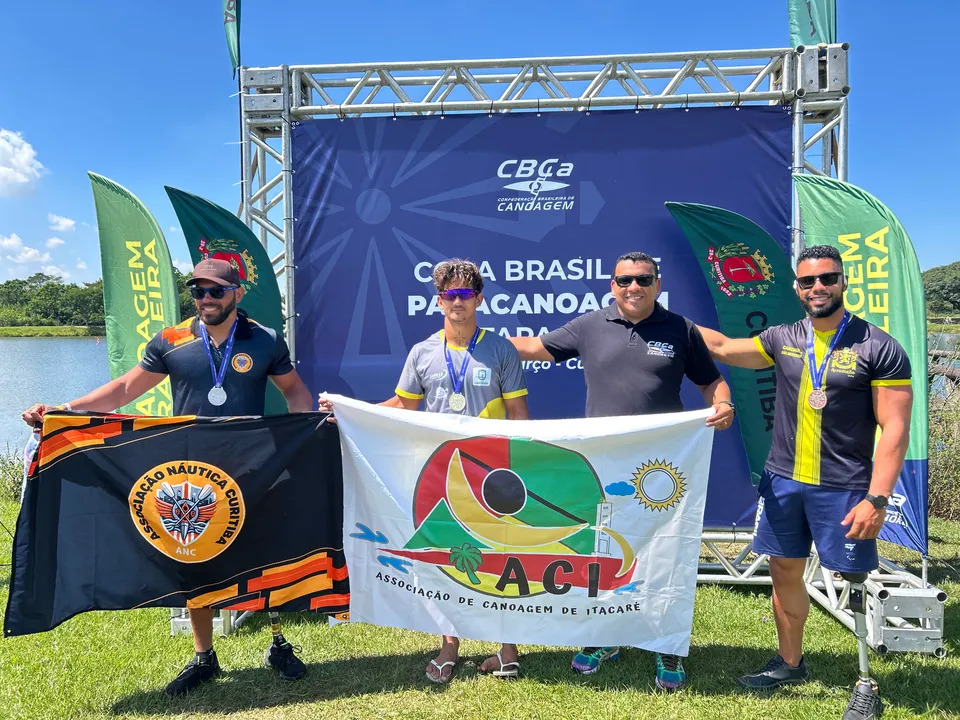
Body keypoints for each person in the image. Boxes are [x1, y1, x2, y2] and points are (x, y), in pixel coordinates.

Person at [21, 258, 316, 698]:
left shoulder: (266, 339)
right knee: (193, 556)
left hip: (252, 466)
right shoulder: (172, 339)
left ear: (237, 293)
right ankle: (204, 657)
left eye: (216, 291)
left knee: (261, 551)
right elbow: (124, 390)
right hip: (190, 471)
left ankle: (277, 643)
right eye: (198, 291)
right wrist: (64, 410)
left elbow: (293, 391)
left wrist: (304, 432)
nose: (205, 299)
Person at [697, 245, 912, 720]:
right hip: (783, 482)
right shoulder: (782, 337)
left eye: (827, 279)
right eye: (808, 281)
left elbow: (895, 430)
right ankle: (790, 662)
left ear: (843, 282)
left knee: (852, 580)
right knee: (784, 573)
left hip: (846, 488)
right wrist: (666, 319)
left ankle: (864, 681)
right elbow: (723, 348)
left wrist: (877, 498)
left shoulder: (878, 346)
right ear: (796, 288)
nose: (818, 288)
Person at [509, 251, 735, 691]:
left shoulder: (681, 329)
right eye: (625, 280)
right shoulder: (591, 325)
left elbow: (712, 381)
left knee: (665, 553)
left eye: (643, 279)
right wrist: (473, 337)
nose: (634, 287)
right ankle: (604, 636)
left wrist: (722, 402)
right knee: (603, 551)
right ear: (612, 284)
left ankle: (666, 645)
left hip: (662, 465)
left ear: (657, 282)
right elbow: (535, 347)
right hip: (605, 463)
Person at [321, 259, 530, 684]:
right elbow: (403, 406)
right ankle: (448, 647)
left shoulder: (501, 349)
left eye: (465, 295)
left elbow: (518, 415)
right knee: (445, 560)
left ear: (479, 299)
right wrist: (350, 411)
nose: (458, 302)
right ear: (438, 301)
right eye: (449, 295)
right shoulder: (423, 352)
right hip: (441, 475)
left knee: (500, 557)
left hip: (492, 473)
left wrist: (518, 469)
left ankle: (507, 651)